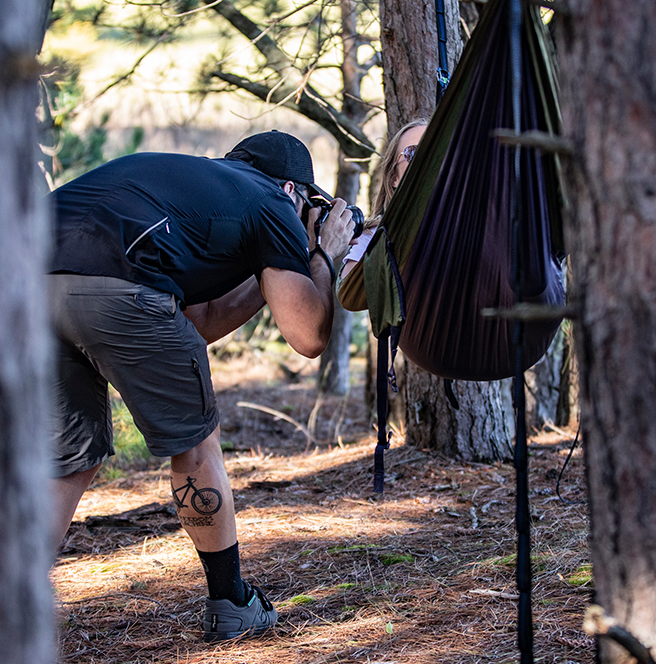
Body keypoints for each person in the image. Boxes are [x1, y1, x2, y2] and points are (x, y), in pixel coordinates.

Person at [47, 130, 354, 642]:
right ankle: (231, 602)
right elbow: (307, 335)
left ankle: (4, 606)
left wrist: (267, 273)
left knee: (68, 460)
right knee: (196, 445)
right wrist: (323, 253)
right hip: (118, 283)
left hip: (25, 278)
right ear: (295, 192)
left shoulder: (200, 188)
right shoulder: (273, 202)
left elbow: (196, 323)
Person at [340, 119, 428, 279]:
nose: (427, 161)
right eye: (414, 153)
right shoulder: (374, 238)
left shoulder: (476, 226)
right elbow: (349, 293)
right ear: (394, 177)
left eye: (436, 152)